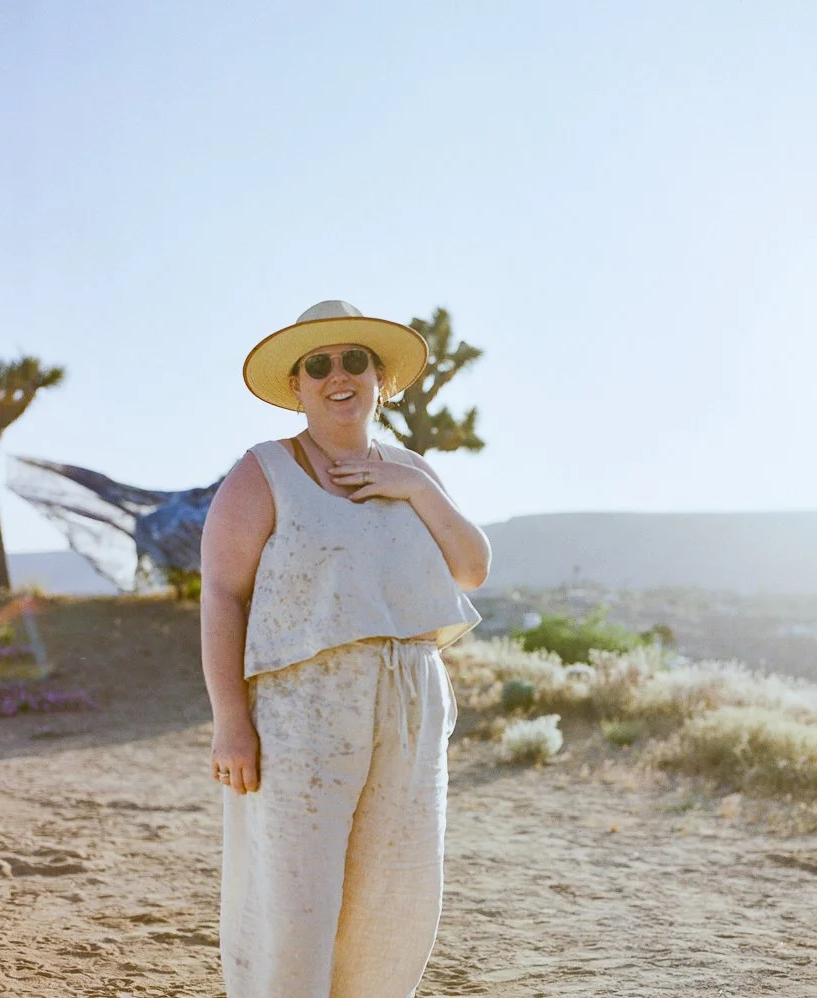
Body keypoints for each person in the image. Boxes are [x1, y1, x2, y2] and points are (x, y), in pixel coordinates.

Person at [200, 299, 489, 998]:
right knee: (293, 895)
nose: (339, 375)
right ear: (296, 384)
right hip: (301, 710)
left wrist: (414, 487)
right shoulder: (264, 471)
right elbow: (223, 594)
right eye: (319, 364)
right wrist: (231, 721)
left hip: (411, 701)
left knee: (395, 891)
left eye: (355, 360)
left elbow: (472, 567)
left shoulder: (413, 470)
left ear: (380, 379)